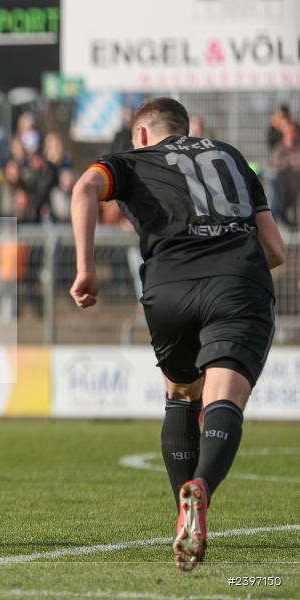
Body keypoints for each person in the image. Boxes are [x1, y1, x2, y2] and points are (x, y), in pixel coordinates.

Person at [69, 97, 286, 571]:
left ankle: (182, 521)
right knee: (223, 397)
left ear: (142, 134)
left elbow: (84, 186)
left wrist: (86, 269)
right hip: (237, 281)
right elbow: (275, 248)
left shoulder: (132, 159)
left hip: (168, 287)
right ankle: (201, 490)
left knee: (182, 394)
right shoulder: (230, 156)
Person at [270, 122, 300, 227]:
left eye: (294, 132)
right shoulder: (279, 147)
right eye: (289, 132)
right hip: (282, 182)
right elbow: (276, 163)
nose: (292, 135)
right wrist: (291, 162)